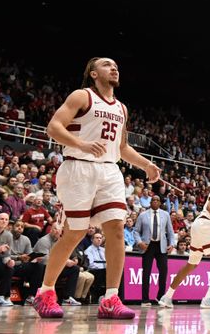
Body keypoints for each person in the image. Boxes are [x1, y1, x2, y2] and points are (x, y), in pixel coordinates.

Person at [33, 57, 161, 319]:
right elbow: (54, 127)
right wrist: (81, 144)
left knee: (116, 228)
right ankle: (45, 292)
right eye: (106, 64)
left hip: (109, 170)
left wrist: (147, 164)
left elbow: (122, 148)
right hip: (78, 166)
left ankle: (111, 298)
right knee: (75, 233)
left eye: (115, 65)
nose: (114, 68)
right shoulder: (82, 96)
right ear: (93, 73)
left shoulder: (122, 108)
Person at [158, 164, 210, 309]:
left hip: (202, 226)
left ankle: (167, 297)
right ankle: (208, 298)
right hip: (205, 225)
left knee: (191, 264)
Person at [133, 195, 175, 305]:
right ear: (150, 202)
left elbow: (170, 232)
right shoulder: (143, 215)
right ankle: (145, 299)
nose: (155, 201)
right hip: (148, 246)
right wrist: (139, 242)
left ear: (160, 202)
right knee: (146, 273)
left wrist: (172, 244)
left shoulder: (165, 215)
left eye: (157, 200)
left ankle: (160, 297)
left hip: (161, 246)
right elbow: (136, 231)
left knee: (163, 272)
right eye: (153, 200)